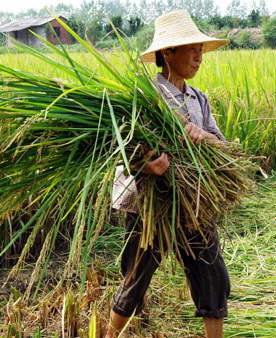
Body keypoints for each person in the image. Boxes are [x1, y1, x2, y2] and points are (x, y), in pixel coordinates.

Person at [107, 9, 231, 338]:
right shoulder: (143, 98)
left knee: (212, 275)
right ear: (167, 53)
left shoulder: (197, 99)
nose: (198, 56)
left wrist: (203, 135)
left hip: (192, 201)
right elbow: (117, 148)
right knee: (135, 277)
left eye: (200, 49)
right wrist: (143, 165)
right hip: (150, 203)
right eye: (191, 48)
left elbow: (222, 144)